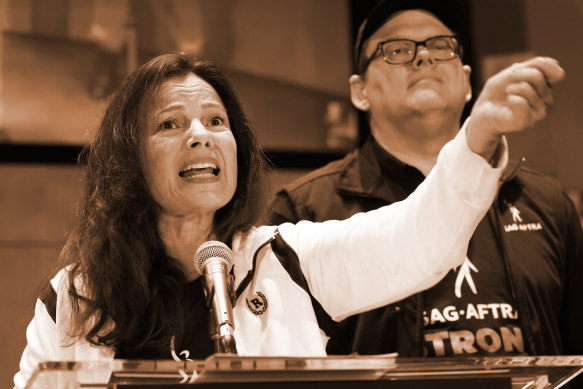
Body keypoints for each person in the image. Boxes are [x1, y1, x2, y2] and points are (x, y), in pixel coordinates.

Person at [12, 47, 544, 388]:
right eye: (170, 124)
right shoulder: (74, 300)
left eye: (216, 120)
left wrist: (477, 138)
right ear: (129, 160)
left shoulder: (286, 261)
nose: (201, 134)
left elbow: (418, 239)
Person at [268, 0, 580, 360]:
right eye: (397, 49)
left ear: (467, 81)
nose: (424, 57)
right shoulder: (305, 210)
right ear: (360, 91)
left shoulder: (546, 201)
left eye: (441, 46)